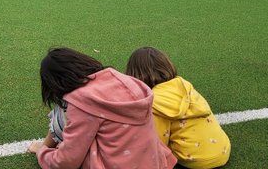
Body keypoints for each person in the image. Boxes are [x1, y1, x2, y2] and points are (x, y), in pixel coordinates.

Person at [27, 47, 177, 169]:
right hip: (154, 163)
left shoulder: (83, 101)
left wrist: (43, 152)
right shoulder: (124, 80)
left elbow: (67, 161)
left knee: (60, 116)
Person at [125, 47, 231, 169]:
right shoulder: (184, 85)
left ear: (134, 74)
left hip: (195, 160)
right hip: (223, 151)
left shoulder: (155, 103)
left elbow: (157, 143)